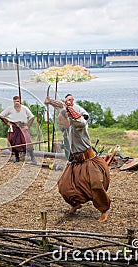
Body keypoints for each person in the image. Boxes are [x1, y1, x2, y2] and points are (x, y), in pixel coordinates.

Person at [45, 94, 111, 222]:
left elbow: (79, 120)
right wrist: (51, 102)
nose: (60, 123)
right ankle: (76, 204)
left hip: (89, 161)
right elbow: (61, 108)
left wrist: (70, 108)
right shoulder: (68, 126)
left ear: (68, 120)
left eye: (61, 121)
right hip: (76, 162)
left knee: (96, 185)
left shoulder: (79, 126)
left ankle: (104, 209)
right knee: (63, 185)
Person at [0, 96, 37, 164]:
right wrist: (7, 122)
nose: (16, 103)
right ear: (13, 101)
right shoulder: (10, 108)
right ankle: (17, 157)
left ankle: (33, 158)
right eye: (15, 101)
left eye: (18, 101)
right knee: (14, 142)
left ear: (20, 101)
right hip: (13, 127)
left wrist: (28, 126)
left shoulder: (24, 108)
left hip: (23, 127)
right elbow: (1, 115)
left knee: (27, 142)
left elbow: (32, 117)